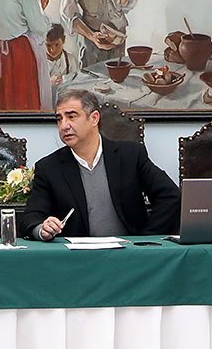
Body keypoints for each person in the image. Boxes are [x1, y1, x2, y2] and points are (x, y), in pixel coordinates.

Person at [24, 91, 180, 240]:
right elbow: (31, 217)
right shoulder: (49, 168)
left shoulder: (130, 156)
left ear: (94, 118)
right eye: (59, 119)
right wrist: (42, 229)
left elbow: (170, 196)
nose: (64, 126)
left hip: (129, 253)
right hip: (76, 255)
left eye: (72, 117)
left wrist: (146, 239)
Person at [44, 23, 77, 96]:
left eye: (57, 44)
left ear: (63, 40)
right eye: (48, 45)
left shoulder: (70, 59)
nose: (52, 50)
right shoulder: (38, 62)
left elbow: (75, 82)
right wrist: (49, 82)